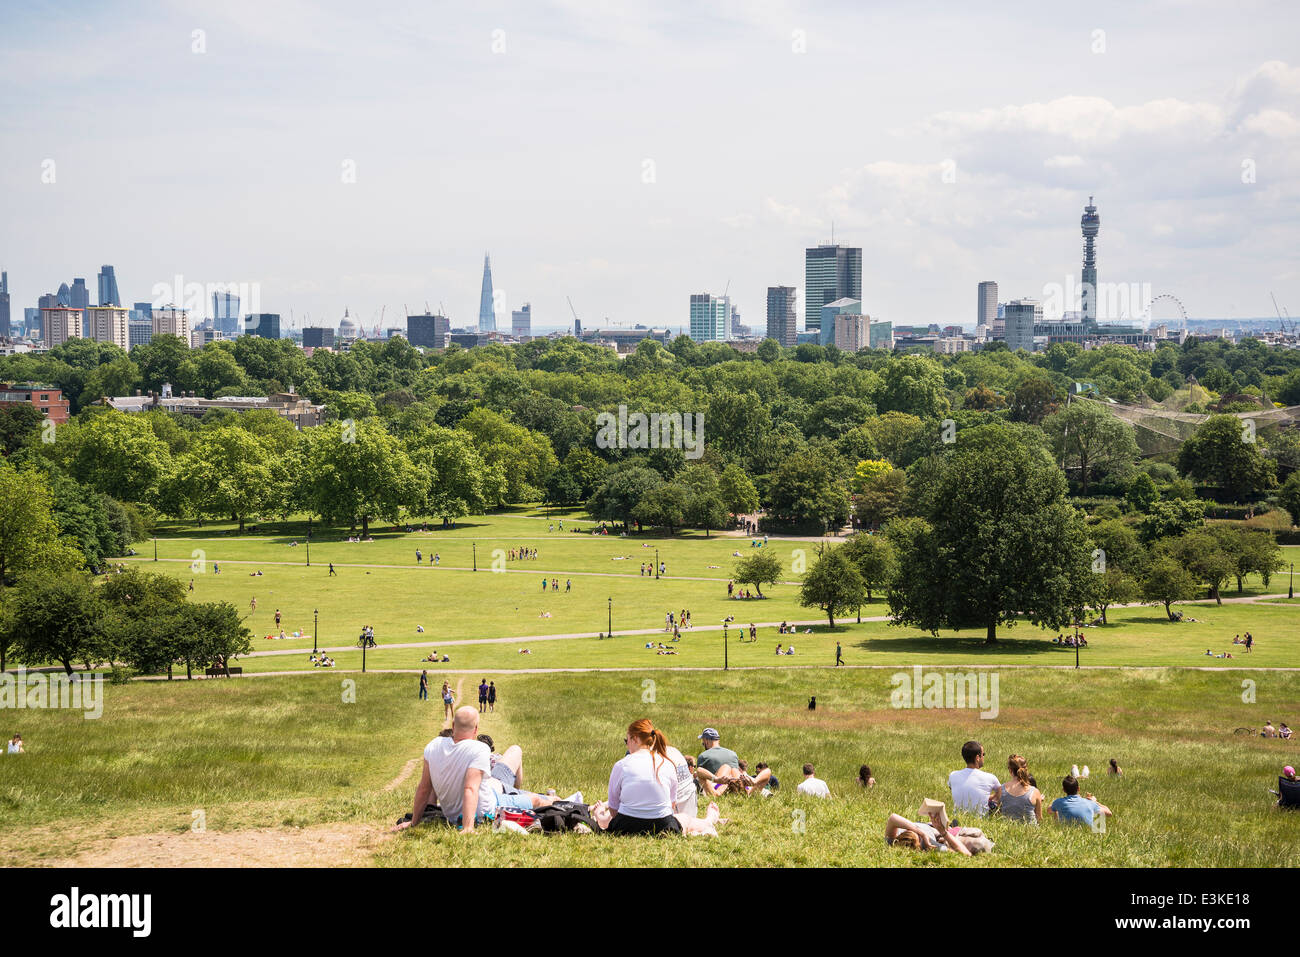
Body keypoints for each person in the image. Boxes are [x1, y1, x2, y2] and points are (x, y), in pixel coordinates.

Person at [395, 707, 549, 834]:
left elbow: (424, 788)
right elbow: (470, 788)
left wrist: (414, 822)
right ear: (476, 730)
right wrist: (468, 827)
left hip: (487, 791)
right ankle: (557, 800)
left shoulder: (433, 746)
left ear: (453, 726)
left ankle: (520, 793)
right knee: (536, 799)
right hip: (492, 802)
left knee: (513, 776)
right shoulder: (479, 749)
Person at [605, 719, 682, 835]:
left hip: (625, 826)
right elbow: (671, 804)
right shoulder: (667, 763)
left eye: (627, 740)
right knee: (685, 819)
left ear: (635, 738)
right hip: (664, 826)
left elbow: (613, 808)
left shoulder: (622, 765)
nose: (627, 745)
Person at [947, 740, 1001, 816]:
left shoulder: (952, 775)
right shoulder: (990, 778)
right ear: (977, 757)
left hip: (958, 819)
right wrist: (990, 798)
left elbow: (954, 789)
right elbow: (1000, 794)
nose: (983, 757)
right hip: (982, 820)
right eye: (983, 754)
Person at [999, 755, 1043, 824]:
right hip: (1031, 832)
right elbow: (1039, 819)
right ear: (1026, 770)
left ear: (1010, 770)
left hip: (1007, 830)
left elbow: (998, 813)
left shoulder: (1001, 789)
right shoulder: (1034, 792)